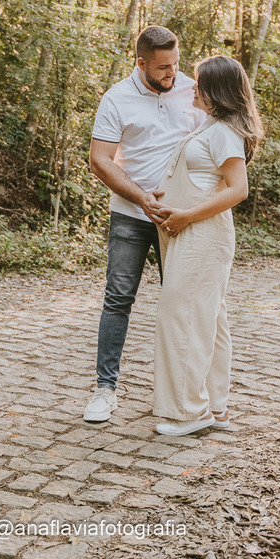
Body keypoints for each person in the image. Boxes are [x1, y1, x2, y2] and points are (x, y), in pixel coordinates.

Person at [84, 26, 204, 422]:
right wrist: (142, 198)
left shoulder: (192, 90)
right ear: (141, 63)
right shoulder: (117, 98)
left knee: (184, 302)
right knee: (118, 298)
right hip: (131, 216)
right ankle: (105, 389)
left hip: (182, 219)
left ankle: (183, 393)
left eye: (176, 64)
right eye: (163, 68)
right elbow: (99, 159)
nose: (173, 74)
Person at [151, 55, 263, 436]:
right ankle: (215, 407)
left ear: (216, 92)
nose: (192, 86)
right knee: (209, 321)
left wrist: (186, 215)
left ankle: (189, 411)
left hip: (203, 235)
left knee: (180, 318)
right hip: (187, 233)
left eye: (199, 82)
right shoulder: (209, 127)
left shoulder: (225, 132)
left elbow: (238, 190)